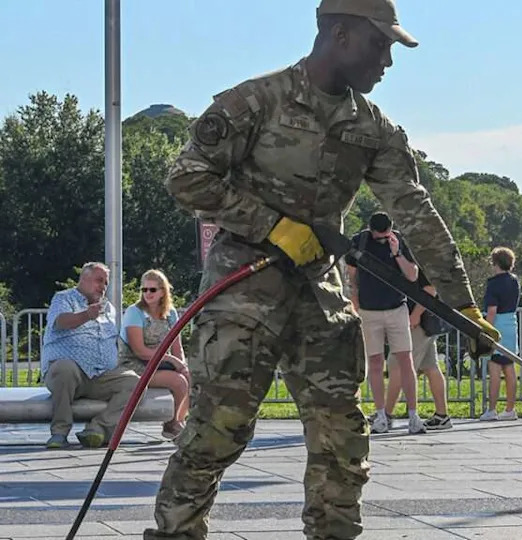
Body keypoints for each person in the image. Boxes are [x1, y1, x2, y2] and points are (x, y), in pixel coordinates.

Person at [145, 0, 500, 538]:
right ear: (340, 34)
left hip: (321, 294)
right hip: (244, 291)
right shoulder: (254, 102)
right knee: (219, 430)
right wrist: (271, 224)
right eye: (380, 45)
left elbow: (415, 211)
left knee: (343, 438)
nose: (387, 61)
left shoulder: (372, 127)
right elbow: (187, 178)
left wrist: (461, 303)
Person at [40, 262, 139, 449]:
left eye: (106, 283)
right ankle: (59, 433)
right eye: (99, 281)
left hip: (101, 375)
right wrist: (87, 315)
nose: (103, 287)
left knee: (135, 383)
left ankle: (98, 429)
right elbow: (62, 322)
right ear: (83, 279)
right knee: (64, 368)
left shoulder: (108, 308)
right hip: (70, 373)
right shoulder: (63, 298)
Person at [346, 211, 424, 435]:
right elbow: (352, 277)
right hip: (369, 311)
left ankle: (413, 415)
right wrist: (356, 303)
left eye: (385, 234)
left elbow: (412, 276)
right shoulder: (359, 241)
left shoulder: (398, 240)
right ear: (370, 229)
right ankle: (380, 414)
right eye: (379, 235)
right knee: (376, 362)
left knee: (405, 360)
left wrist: (396, 253)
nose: (382, 238)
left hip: (397, 307)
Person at [118, 270, 190, 440]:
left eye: (152, 290)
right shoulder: (134, 312)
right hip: (135, 365)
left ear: (163, 291)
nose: (147, 294)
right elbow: (139, 351)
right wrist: (171, 360)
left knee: (190, 376)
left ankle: (179, 419)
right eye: (144, 290)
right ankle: (173, 423)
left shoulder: (171, 313)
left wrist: (182, 364)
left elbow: (177, 346)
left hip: (159, 363)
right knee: (178, 382)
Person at [385, 271, 453, 430]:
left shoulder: (418, 257)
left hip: (417, 322)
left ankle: (385, 415)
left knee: (397, 365)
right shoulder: (423, 256)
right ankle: (442, 416)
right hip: (425, 322)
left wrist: (415, 314)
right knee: (430, 367)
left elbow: (430, 289)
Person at [477, 247, 522, 422]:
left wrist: (485, 328)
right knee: (509, 368)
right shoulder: (514, 281)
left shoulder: (494, 284)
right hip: (512, 324)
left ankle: (492, 409)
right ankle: (510, 409)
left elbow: (492, 310)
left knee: (494, 369)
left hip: (498, 327)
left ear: (495, 263)